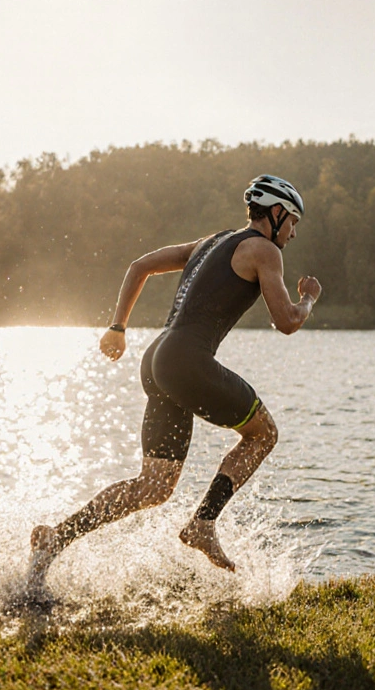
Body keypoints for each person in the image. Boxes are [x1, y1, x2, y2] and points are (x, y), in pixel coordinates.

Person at [25, 175, 321, 594]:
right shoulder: (264, 250)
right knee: (263, 434)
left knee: (153, 486)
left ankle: (56, 536)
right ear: (275, 214)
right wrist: (308, 297)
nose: (293, 232)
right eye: (292, 221)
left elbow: (139, 266)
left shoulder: (212, 241)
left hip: (157, 359)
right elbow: (287, 321)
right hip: (186, 363)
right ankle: (203, 523)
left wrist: (118, 327)